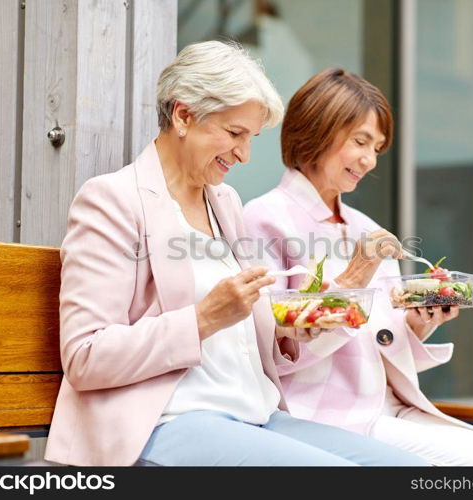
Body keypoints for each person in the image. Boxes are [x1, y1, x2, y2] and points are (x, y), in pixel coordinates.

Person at [44, 43, 428, 466]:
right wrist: (203, 318)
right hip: (169, 420)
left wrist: (290, 330)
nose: (245, 155)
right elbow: (85, 357)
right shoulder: (112, 200)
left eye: (252, 138)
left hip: (256, 415)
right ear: (183, 115)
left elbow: (247, 329)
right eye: (234, 134)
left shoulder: (224, 202)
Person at [243, 68, 473, 466]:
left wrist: (420, 321)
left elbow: (383, 345)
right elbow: (272, 353)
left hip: (389, 408)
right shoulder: (264, 219)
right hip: (322, 418)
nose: (369, 159)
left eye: (377, 148)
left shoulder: (367, 229)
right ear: (315, 130)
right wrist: (354, 277)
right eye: (360, 141)